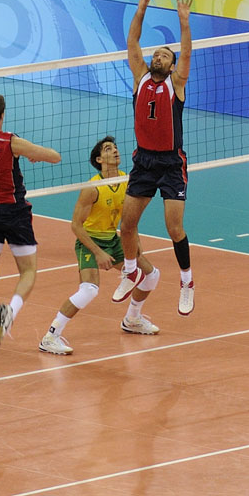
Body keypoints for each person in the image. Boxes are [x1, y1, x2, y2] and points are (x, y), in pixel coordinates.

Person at [0, 37, 61, 351]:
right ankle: (9, 313)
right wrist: (30, 152)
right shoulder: (11, 142)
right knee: (28, 272)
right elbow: (54, 156)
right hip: (14, 212)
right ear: (2, 116)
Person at [39, 136, 161, 355]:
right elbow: (76, 226)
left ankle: (132, 319)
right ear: (99, 159)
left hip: (114, 240)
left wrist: (136, 240)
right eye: (108, 149)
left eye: (115, 147)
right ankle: (50, 336)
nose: (115, 151)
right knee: (88, 290)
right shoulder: (92, 188)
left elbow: (130, 218)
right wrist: (98, 252)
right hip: (90, 242)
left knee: (151, 275)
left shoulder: (128, 181)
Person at [119, 0, 196, 316]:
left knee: (173, 228)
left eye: (165, 55)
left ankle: (187, 281)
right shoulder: (140, 77)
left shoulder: (175, 83)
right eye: (157, 54)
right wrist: (141, 9)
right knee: (127, 225)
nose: (158, 57)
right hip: (143, 161)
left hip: (170, 163)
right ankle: (130, 271)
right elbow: (132, 42)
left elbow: (187, 53)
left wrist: (184, 22)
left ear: (173, 65)